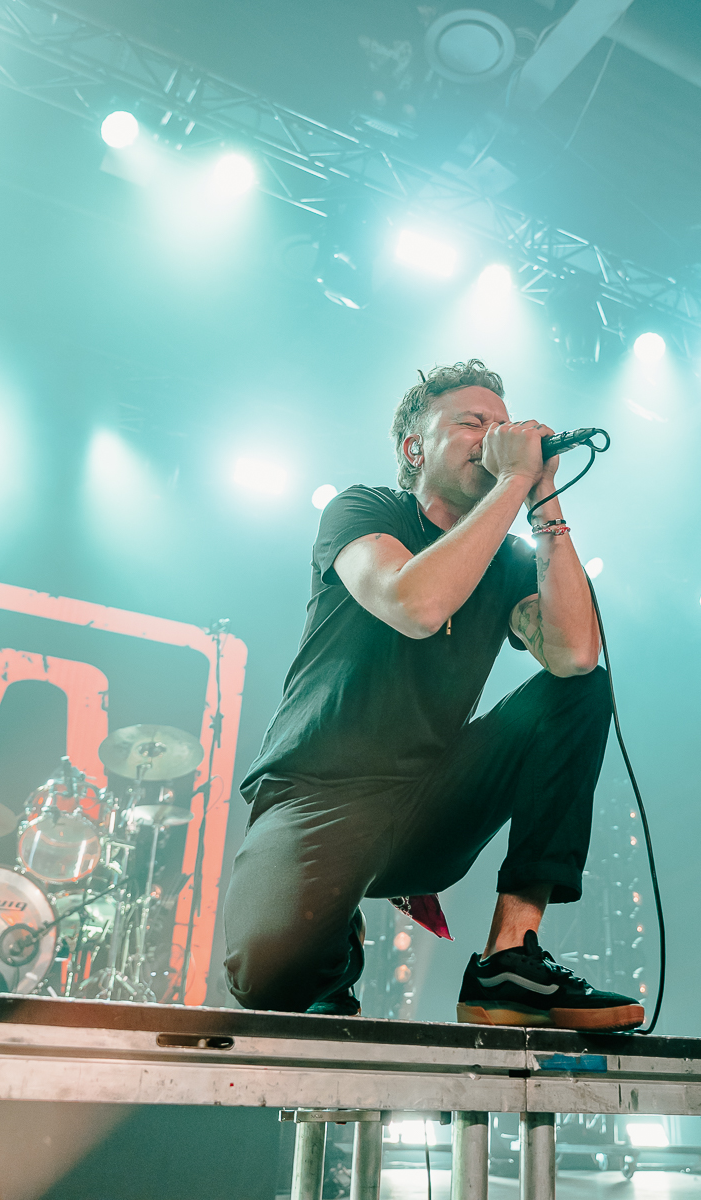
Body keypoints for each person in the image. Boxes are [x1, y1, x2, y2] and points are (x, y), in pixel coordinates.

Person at [223, 359, 643, 1031]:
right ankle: (328, 941)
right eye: (474, 423)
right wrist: (513, 480)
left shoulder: (510, 561)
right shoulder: (365, 511)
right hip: (318, 791)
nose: (496, 436)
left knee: (580, 687)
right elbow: (413, 604)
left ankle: (510, 956)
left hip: (426, 802)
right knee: (268, 980)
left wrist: (543, 502)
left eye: (504, 426)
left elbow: (575, 655)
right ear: (415, 448)